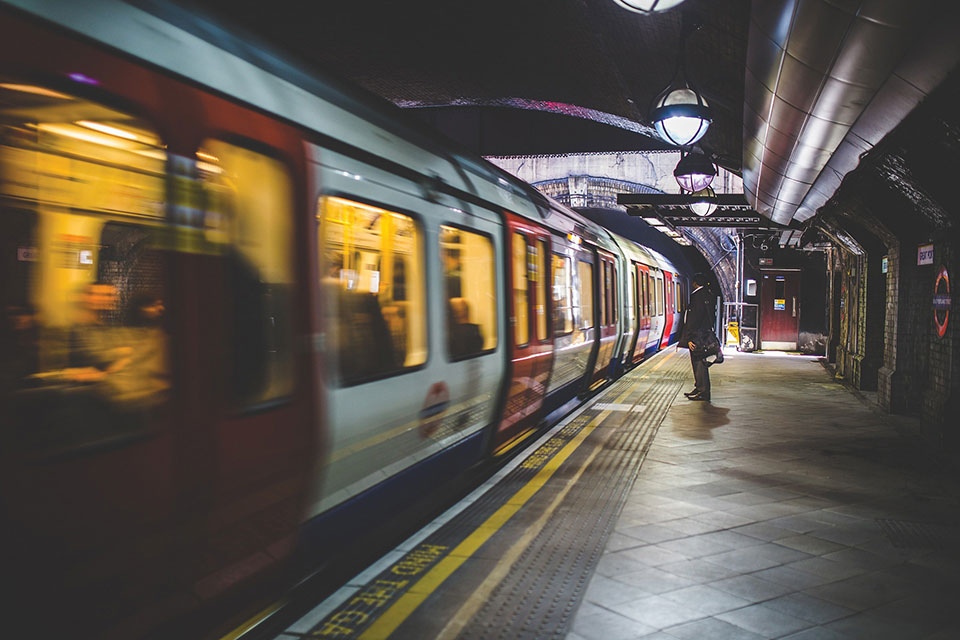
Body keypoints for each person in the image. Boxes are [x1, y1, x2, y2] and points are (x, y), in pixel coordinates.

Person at [680, 272, 716, 402]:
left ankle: (703, 391)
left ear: (695, 283)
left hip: (697, 336)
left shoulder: (698, 296)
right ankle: (699, 387)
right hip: (703, 334)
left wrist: (689, 338)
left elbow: (694, 319)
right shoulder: (708, 294)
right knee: (700, 363)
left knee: (699, 364)